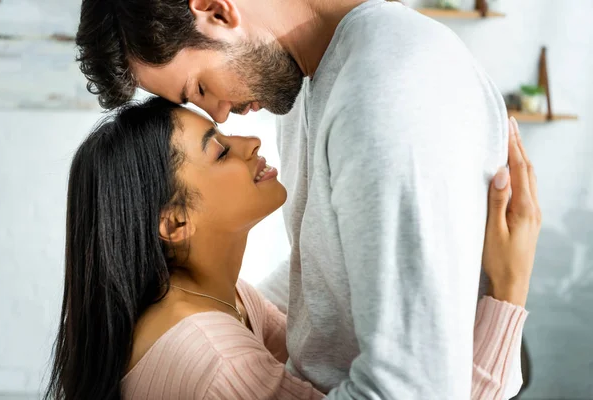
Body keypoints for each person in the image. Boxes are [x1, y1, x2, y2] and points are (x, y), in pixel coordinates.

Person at [75, 0, 539, 397]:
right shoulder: (301, 88)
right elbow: (321, 276)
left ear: (217, 10)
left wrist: (508, 294)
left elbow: (412, 387)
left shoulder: (385, 89)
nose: (219, 111)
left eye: (198, 87)